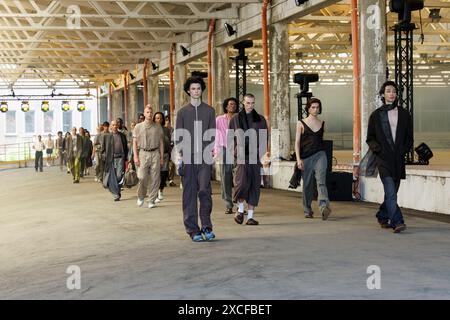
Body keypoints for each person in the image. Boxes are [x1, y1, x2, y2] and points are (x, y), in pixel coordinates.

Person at [366, 80, 413, 233]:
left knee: (391, 193)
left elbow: (409, 137)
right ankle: (397, 221)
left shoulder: (405, 114)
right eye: (388, 91)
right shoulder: (376, 115)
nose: (391, 94)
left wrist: (403, 150)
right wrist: (378, 149)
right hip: (383, 159)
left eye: (394, 91)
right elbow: (370, 138)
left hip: (398, 159)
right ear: (383, 94)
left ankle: (382, 214)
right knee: (391, 191)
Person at [175, 76, 216, 242]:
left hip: (205, 157)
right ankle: (192, 229)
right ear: (188, 91)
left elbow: (212, 133)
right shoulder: (182, 112)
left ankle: (206, 226)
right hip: (188, 157)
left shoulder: (209, 111)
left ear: (201, 90)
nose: (196, 91)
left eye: (198, 88)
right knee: (189, 193)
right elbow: (179, 135)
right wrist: (181, 156)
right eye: (193, 89)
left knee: (205, 190)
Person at [229, 94, 268, 226]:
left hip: (255, 157)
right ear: (243, 103)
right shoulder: (235, 119)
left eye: (252, 103)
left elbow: (263, 139)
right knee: (241, 184)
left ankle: (250, 217)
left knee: (254, 186)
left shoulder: (260, 120)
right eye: (248, 103)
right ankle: (240, 210)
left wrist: (263, 156)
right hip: (240, 156)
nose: (250, 105)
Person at [294, 98, 331, 220]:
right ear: (308, 108)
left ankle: (324, 207)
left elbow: (321, 141)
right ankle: (307, 209)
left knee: (321, 182)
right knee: (308, 184)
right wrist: (298, 159)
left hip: (320, 155)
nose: (315, 109)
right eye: (313, 107)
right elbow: (297, 143)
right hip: (306, 157)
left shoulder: (322, 123)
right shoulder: (301, 123)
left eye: (317, 107)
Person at [133, 105, 164, 209]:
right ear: (144, 114)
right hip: (143, 153)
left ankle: (151, 200)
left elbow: (161, 142)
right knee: (142, 177)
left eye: (151, 112)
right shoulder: (138, 127)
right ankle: (141, 196)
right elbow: (134, 143)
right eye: (147, 112)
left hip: (155, 153)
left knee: (155, 178)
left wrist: (161, 157)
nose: (149, 114)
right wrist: (136, 157)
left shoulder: (158, 127)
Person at [214, 97, 238, 214]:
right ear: (226, 106)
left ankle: (240, 204)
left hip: (238, 150)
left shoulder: (240, 119)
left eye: (234, 104)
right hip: (224, 149)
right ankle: (228, 204)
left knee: (239, 178)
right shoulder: (219, 120)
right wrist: (215, 150)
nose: (232, 106)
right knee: (225, 178)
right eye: (230, 104)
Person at [100, 120, 128, 201]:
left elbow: (126, 147)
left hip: (120, 158)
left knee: (119, 176)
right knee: (112, 177)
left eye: (116, 125)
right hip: (111, 159)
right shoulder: (106, 136)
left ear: (118, 125)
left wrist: (127, 158)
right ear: (110, 126)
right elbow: (103, 150)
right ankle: (116, 193)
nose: (115, 126)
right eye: (113, 125)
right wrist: (104, 157)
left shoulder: (122, 136)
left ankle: (116, 191)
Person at [153, 112, 171, 202]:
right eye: (157, 118)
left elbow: (169, 142)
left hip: (165, 155)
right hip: (155, 154)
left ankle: (161, 189)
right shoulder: (152, 129)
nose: (159, 120)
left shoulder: (166, 130)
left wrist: (170, 154)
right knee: (156, 175)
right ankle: (155, 194)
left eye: (160, 118)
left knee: (164, 174)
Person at [165, 115, 176, 187]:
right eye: (166, 120)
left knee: (172, 164)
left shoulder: (172, 129)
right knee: (164, 166)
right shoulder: (161, 129)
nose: (167, 121)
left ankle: (171, 179)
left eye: (168, 120)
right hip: (164, 149)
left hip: (171, 149)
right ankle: (164, 179)